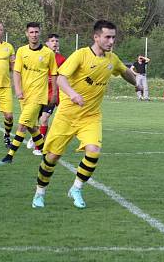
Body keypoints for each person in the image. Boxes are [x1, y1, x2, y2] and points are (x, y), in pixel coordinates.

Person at [31, 20, 141, 209]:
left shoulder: (111, 59)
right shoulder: (81, 55)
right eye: (107, 37)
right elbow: (61, 79)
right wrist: (73, 94)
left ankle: (76, 188)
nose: (111, 41)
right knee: (52, 157)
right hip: (67, 115)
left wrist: (136, 83)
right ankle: (39, 193)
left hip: (91, 116)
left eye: (113, 37)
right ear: (96, 37)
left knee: (94, 151)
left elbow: (123, 71)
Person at [0, 22, 57, 164]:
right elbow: (16, 72)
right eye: (31, 32)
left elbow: (54, 74)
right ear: (26, 34)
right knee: (31, 127)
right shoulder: (22, 51)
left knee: (22, 124)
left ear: (40, 33)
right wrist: (18, 90)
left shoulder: (48, 53)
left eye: (36, 32)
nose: (34, 35)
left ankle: (9, 156)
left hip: (38, 96)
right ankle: (44, 152)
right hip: (24, 95)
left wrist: (54, 93)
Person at [27, 34, 67, 151]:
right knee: (34, 121)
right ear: (47, 43)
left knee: (44, 118)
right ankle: (36, 136)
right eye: (52, 41)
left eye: (57, 41)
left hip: (52, 95)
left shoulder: (62, 59)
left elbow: (64, 77)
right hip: (38, 93)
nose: (55, 43)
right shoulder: (40, 56)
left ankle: (38, 147)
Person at [0, 22, 15, 148]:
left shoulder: (9, 47)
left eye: (0, 29)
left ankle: (6, 135)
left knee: (9, 116)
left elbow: (14, 67)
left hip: (5, 87)